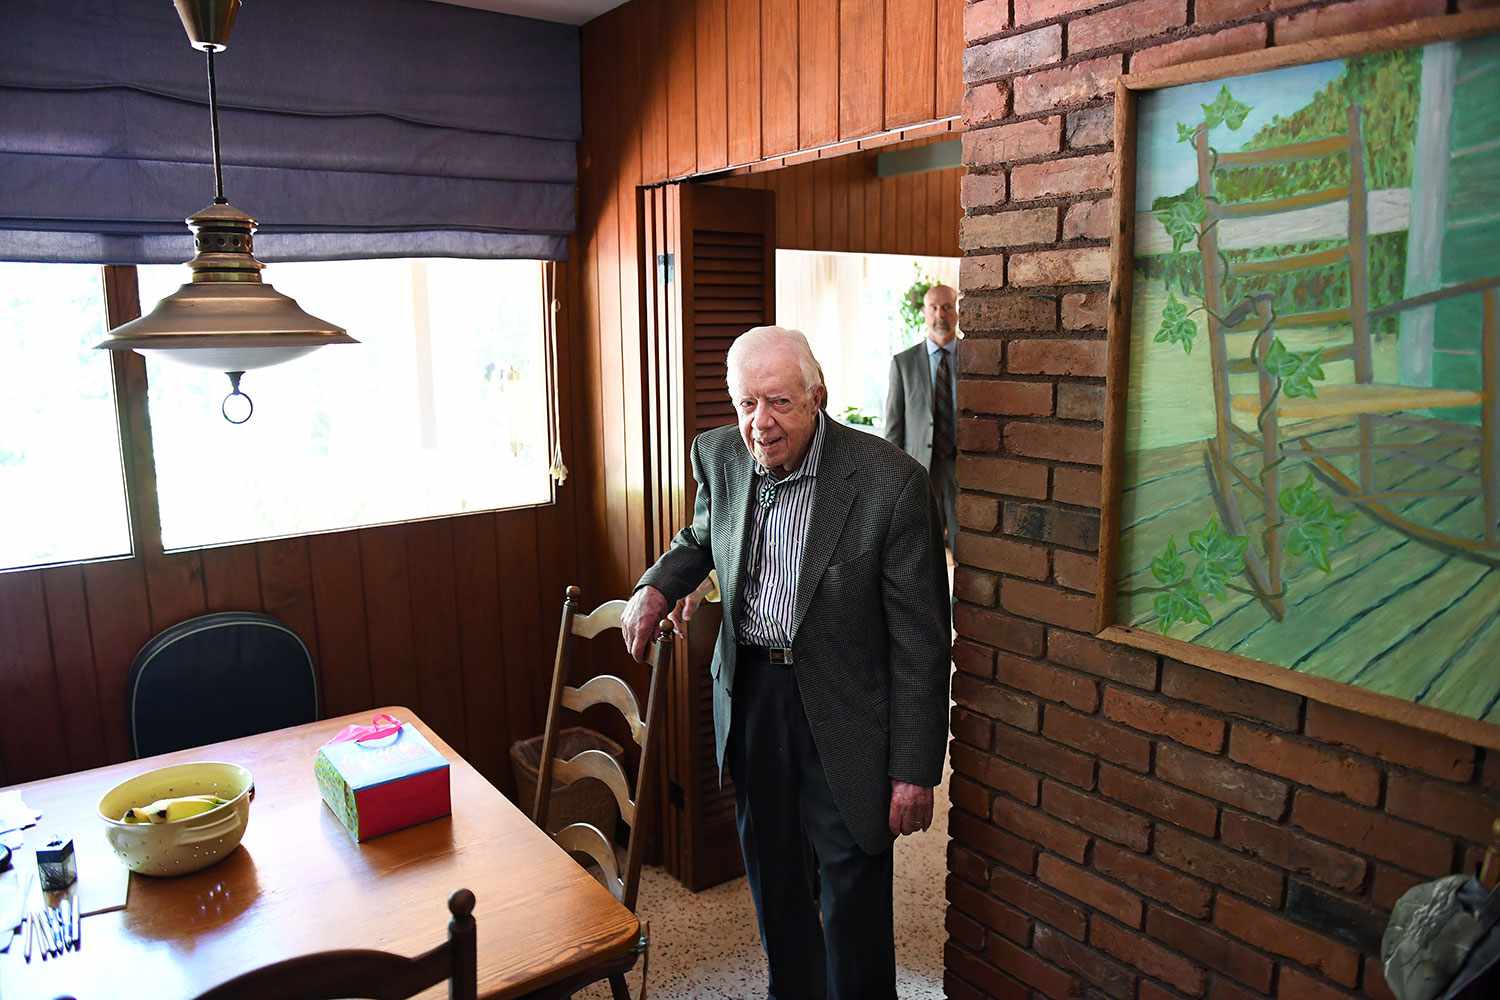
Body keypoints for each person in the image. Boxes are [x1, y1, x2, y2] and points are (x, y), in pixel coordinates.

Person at [621, 326, 950, 1000]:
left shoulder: (890, 484)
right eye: (746, 404)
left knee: (851, 881)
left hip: (847, 707)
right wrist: (658, 586)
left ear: (816, 397)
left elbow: (923, 640)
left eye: (778, 403)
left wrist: (915, 769)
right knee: (773, 876)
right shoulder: (718, 454)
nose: (759, 425)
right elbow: (702, 533)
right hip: (753, 695)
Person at [883, 283, 960, 550]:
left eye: (947, 307)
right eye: (934, 308)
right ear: (925, 313)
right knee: (923, 548)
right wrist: (893, 479)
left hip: (965, 467)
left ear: (957, 311)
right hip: (920, 470)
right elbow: (893, 429)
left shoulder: (975, 359)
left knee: (970, 543)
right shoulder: (903, 363)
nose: (941, 314)